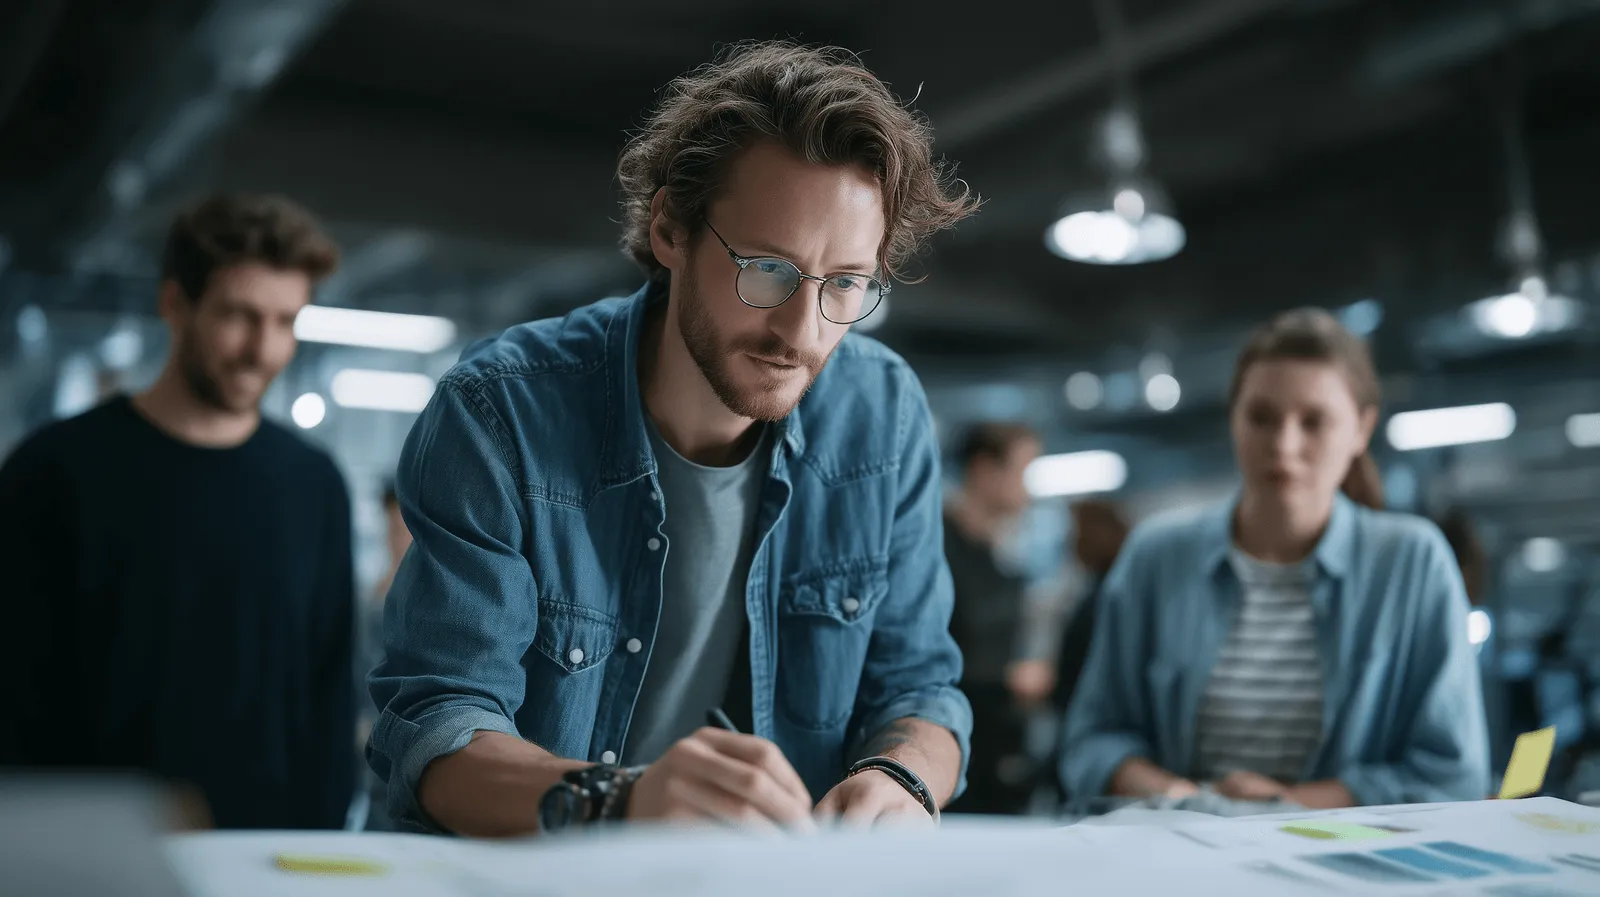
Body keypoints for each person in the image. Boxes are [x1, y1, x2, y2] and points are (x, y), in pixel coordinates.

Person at [368, 41, 980, 837]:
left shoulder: (884, 411)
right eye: (767, 269)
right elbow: (439, 728)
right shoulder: (501, 412)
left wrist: (901, 777)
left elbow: (923, 689)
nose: (802, 330)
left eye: (846, 284)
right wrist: (619, 799)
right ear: (670, 228)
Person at [0, 193, 356, 829]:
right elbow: (14, 694)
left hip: (263, 856)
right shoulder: (53, 471)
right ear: (175, 305)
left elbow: (326, 700)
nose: (263, 348)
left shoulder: (313, 486)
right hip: (94, 851)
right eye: (240, 316)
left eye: (284, 321)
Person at [1062, 308, 1489, 810]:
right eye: (1261, 417)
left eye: (1315, 421)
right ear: (1233, 418)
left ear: (1361, 429)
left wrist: (1286, 803)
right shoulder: (1155, 558)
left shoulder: (1412, 564)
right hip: (1179, 862)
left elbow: (1451, 773)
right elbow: (1091, 743)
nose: (1284, 445)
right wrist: (1186, 800)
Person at [942, 422, 1042, 814]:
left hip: (997, 751)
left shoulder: (998, 555)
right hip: (949, 751)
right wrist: (1008, 678)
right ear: (984, 470)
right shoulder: (936, 551)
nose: (1027, 490)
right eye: (1022, 472)